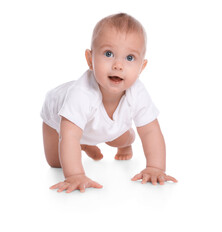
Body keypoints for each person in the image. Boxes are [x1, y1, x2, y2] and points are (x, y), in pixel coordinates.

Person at [41, 13, 177, 193]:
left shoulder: (137, 91)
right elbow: (69, 136)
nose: (118, 65)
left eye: (129, 58)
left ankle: (105, 142)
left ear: (141, 68)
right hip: (57, 121)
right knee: (57, 162)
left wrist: (156, 168)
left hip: (97, 125)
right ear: (90, 60)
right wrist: (75, 175)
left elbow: (150, 130)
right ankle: (84, 144)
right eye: (108, 54)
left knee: (120, 136)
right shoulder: (81, 94)